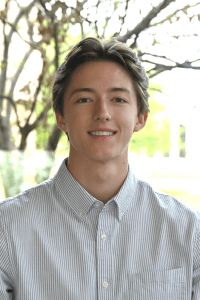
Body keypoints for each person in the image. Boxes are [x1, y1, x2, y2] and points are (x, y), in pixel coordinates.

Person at [0, 37, 199, 300]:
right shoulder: (8, 228)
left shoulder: (188, 231)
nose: (102, 112)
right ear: (61, 116)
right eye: (84, 99)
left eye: (118, 99)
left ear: (141, 117)